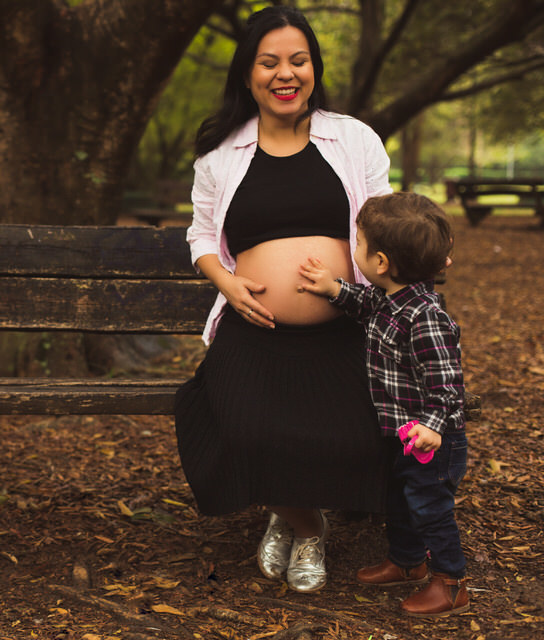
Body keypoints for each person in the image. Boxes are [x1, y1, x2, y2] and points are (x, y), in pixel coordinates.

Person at [173, 5, 392, 594]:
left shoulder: (353, 139)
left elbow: (384, 223)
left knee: (356, 431)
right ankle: (307, 523)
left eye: (299, 60)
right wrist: (226, 282)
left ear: (314, 69)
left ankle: (287, 512)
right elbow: (200, 236)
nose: (285, 73)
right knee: (241, 427)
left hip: (345, 327)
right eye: (269, 62)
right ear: (248, 73)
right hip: (256, 329)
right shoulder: (221, 155)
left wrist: (353, 287)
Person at [298, 192, 469, 617]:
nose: (353, 249)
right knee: (399, 501)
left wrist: (431, 426)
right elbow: (367, 304)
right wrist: (334, 288)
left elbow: (447, 384)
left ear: (379, 262)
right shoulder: (394, 298)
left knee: (430, 510)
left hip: (431, 441)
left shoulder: (425, 317)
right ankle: (407, 562)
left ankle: (450, 583)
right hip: (403, 434)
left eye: (357, 243)